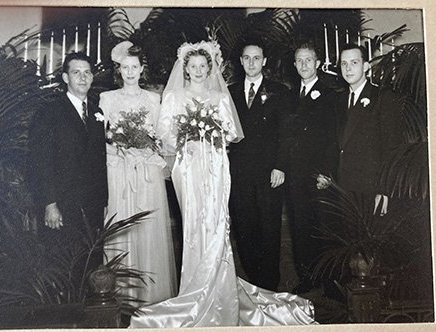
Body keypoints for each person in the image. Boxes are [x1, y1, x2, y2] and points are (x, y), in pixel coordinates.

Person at [128, 41, 316, 328]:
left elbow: (231, 132)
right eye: (193, 67)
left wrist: (209, 131)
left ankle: (221, 285)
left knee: (217, 222)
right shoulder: (175, 96)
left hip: (216, 167)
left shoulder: (220, 96)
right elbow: (164, 131)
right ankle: (194, 286)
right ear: (186, 70)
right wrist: (187, 138)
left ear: (210, 67)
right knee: (193, 222)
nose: (199, 71)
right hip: (189, 168)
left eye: (204, 66)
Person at [98, 41, 177, 304]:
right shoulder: (107, 99)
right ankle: (122, 297)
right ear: (118, 70)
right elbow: (100, 139)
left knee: (148, 227)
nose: (130, 72)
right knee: (122, 228)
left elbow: (162, 138)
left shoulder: (154, 99)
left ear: (142, 69)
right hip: (119, 172)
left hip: (147, 172)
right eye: (124, 67)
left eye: (134, 67)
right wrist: (120, 149)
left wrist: (146, 149)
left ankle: (153, 296)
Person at [29, 52, 108, 282]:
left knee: (91, 268)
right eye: (76, 73)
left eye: (87, 72)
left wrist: (103, 201)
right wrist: (49, 203)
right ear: (65, 78)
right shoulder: (48, 112)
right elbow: (40, 162)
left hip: (92, 207)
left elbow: (99, 161)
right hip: (63, 206)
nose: (83, 78)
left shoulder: (97, 112)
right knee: (64, 270)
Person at [228, 38, 291, 291]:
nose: (252, 63)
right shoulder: (230, 92)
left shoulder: (280, 91)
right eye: (247, 58)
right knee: (244, 227)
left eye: (257, 58)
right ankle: (252, 282)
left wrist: (280, 166)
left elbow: (287, 134)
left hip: (269, 172)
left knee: (269, 227)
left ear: (264, 61)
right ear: (241, 61)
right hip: (240, 172)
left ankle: (269, 284)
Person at [322, 44, 403, 214]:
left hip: (370, 188)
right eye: (344, 64)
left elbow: (391, 149)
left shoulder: (383, 97)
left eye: (354, 62)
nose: (348, 68)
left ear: (366, 66)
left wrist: (384, 190)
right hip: (342, 188)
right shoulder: (338, 101)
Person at [286, 43, 337, 294]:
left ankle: (330, 282)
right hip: (296, 174)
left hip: (319, 174)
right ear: (294, 65)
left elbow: (332, 136)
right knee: (300, 227)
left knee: (324, 227)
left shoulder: (329, 93)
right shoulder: (290, 95)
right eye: (299, 60)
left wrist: (326, 173)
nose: (304, 65)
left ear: (318, 63)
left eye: (309, 60)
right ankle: (307, 278)